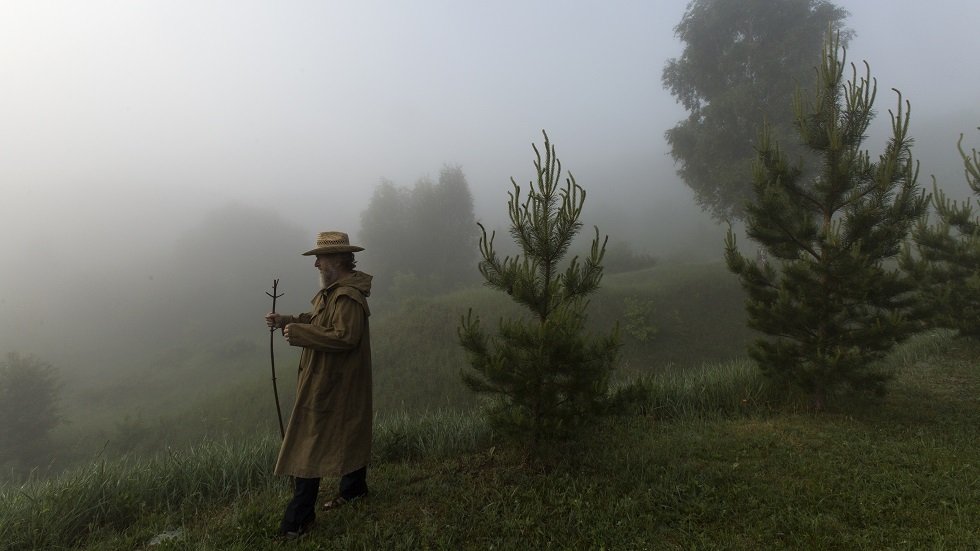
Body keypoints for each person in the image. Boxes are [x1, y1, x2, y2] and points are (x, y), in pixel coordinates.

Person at [264, 231, 373, 538]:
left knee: (308, 442)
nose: (316, 265)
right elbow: (320, 322)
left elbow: (345, 337)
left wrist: (299, 334)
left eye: (320, 259)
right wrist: (287, 320)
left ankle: (297, 520)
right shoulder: (334, 293)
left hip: (335, 380)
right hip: (332, 378)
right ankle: (354, 490)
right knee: (348, 428)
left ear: (337, 259)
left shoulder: (347, 297)